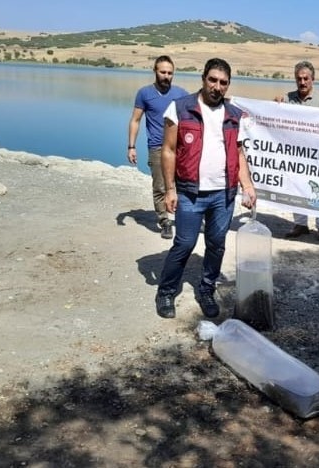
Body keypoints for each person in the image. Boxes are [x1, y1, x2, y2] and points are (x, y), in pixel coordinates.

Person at [155, 58, 257, 320]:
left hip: (223, 194)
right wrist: (170, 189)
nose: (217, 86)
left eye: (223, 82)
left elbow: (239, 153)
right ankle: (166, 291)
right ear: (203, 79)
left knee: (216, 245)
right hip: (190, 192)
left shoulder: (235, 115)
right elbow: (167, 150)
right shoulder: (180, 108)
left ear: (228, 85)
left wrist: (247, 185)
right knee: (184, 243)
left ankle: (207, 289)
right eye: (213, 80)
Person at [277, 60, 319, 241]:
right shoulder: (287, 99)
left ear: (312, 79)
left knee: (318, 188)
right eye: (299, 79)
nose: (302, 82)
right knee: (296, 188)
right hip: (295, 154)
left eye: (305, 78)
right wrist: (274, 106)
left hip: (318, 157)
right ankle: (300, 224)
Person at [127, 55, 188, 239]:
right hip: (157, 148)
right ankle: (164, 221)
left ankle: (185, 219)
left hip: (179, 148)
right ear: (155, 71)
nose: (166, 76)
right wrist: (131, 146)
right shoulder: (144, 93)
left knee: (184, 186)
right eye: (163, 72)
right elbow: (135, 120)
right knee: (160, 186)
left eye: (170, 73)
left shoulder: (181, 94)